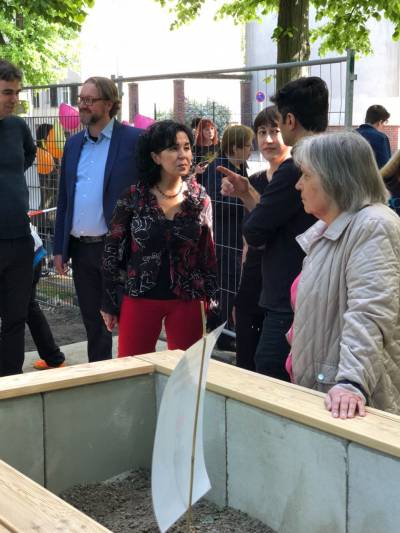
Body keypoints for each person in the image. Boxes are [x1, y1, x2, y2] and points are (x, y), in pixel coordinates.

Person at [220, 77, 327, 379]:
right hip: (312, 286)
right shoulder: (331, 158)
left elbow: (255, 230)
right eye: (261, 132)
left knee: (268, 370)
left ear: (289, 121)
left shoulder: (295, 167)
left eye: (276, 125)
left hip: (288, 294)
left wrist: (259, 219)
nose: (268, 139)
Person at [289, 131, 400, 418]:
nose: (298, 184)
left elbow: (370, 312)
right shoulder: (331, 229)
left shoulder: (373, 226)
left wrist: (352, 382)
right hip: (328, 395)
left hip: (352, 405)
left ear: (334, 178)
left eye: (306, 175)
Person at [101, 120, 218, 356]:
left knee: (187, 372)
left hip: (188, 299)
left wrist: (212, 300)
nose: (183, 155)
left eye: (187, 147)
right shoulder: (133, 197)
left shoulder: (200, 199)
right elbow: (111, 250)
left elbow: (208, 253)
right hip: (140, 297)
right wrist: (109, 302)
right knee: (133, 370)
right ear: (155, 157)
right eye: (174, 148)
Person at [52, 76, 142, 364]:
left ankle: (133, 372)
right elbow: (64, 199)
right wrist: (59, 248)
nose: (83, 105)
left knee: (129, 319)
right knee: (94, 323)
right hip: (81, 249)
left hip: (118, 249)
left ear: (110, 104)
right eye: (81, 99)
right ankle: (99, 374)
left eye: (90, 100)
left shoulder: (133, 141)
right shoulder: (73, 144)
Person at [234, 107, 290, 371]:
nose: (268, 139)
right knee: (245, 363)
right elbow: (249, 240)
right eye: (262, 132)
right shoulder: (254, 180)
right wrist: (242, 291)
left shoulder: (296, 179)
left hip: (281, 288)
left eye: (275, 131)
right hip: (253, 282)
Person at [202, 124, 254, 351]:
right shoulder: (218, 169)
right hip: (224, 239)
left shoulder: (240, 167)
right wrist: (244, 199)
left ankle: (225, 329)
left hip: (236, 238)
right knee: (226, 287)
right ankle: (222, 335)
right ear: (235, 148)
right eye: (248, 145)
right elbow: (215, 204)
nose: (251, 150)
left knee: (231, 285)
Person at [0, 59, 36, 376]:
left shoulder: (17, 127)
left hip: (19, 239)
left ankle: (10, 381)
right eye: (7, 92)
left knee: (16, 316)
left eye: (16, 92)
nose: (14, 99)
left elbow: (29, 154)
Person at [29, 226, 66, 369]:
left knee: (19, 313)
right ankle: (54, 359)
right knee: (28, 310)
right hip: (28, 253)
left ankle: (54, 359)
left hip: (24, 256)